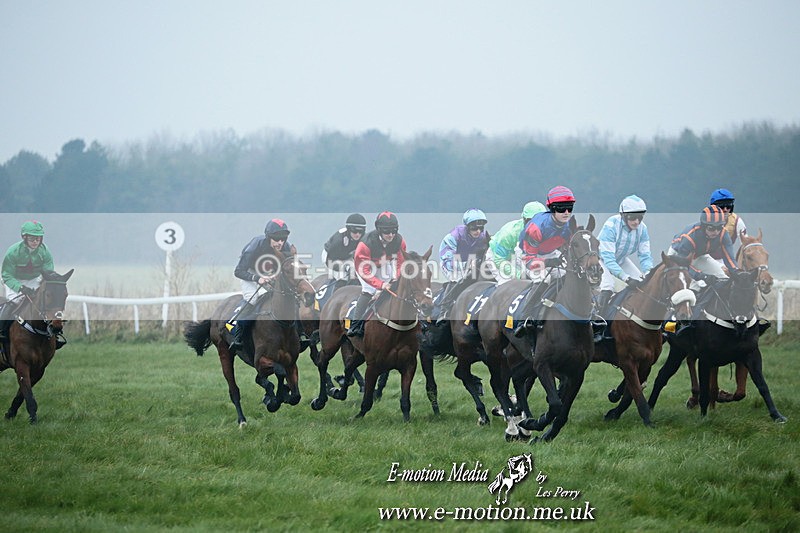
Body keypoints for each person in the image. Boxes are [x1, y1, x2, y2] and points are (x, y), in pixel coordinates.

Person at [229, 218, 294, 354]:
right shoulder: (256, 245)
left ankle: (300, 333)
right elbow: (238, 271)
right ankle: (238, 336)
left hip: (269, 275)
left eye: (283, 239)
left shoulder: (286, 247)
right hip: (249, 274)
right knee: (254, 299)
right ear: (269, 237)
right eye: (277, 239)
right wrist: (257, 278)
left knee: (288, 297)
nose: (280, 243)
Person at [346, 211, 408, 338]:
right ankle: (355, 324)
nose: (391, 235)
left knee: (398, 287)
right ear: (379, 230)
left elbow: (400, 262)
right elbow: (365, 271)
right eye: (387, 232)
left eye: (393, 231)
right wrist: (381, 284)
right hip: (365, 266)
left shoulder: (400, 241)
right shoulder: (365, 244)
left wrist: (396, 278)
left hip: (385, 263)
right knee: (369, 290)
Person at [595, 195, 654, 312]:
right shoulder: (611, 226)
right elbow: (608, 260)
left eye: (640, 217)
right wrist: (626, 279)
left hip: (621, 259)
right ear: (623, 215)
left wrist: (649, 273)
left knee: (643, 284)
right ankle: (598, 319)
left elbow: (645, 256)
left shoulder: (643, 229)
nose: (636, 222)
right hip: (600, 259)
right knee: (608, 285)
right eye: (632, 217)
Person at [1, 221, 55, 339]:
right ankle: (2, 331)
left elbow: (48, 274)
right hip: (13, 279)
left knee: (43, 301)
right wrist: (20, 287)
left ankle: (53, 333)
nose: (35, 241)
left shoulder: (45, 252)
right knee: (14, 302)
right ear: (24, 237)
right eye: (32, 238)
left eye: (38, 238)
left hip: (34, 279)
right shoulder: (13, 252)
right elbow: (6, 275)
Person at [434, 209, 491, 322]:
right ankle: (444, 310)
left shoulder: (484, 236)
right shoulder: (454, 236)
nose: (478, 231)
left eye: (481, 228)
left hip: (472, 263)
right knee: (457, 277)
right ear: (467, 227)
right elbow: (448, 260)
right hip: (450, 263)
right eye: (474, 228)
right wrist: (466, 265)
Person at [668, 205, 740, 290]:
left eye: (719, 227)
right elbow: (684, 266)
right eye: (711, 228)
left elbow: (730, 259)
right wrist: (702, 276)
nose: (716, 232)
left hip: (700, 256)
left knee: (723, 278)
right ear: (704, 226)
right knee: (690, 286)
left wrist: (738, 273)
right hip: (678, 257)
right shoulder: (690, 237)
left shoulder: (723, 234)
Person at [520, 186, 577, 282]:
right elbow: (528, 260)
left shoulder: (570, 226)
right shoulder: (536, 228)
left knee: (567, 276)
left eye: (569, 207)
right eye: (561, 208)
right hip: (526, 255)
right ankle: (535, 297)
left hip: (549, 253)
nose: (566, 212)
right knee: (544, 279)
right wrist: (548, 262)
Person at [487, 201, 546, 284]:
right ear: (524, 219)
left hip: (520, 257)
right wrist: (519, 274)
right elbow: (498, 260)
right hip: (498, 258)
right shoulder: (509, 233)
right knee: (509, 285)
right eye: (530, 221)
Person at [321, 213, 366, 287]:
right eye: (354, 231)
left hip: (347, 256)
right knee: (344, 276)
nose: (357, 234)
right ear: (348, 229)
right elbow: (331, 261)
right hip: (330, 257)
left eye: (360, 232)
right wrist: (346, 267)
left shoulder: (364, 238)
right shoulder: (338, 241)